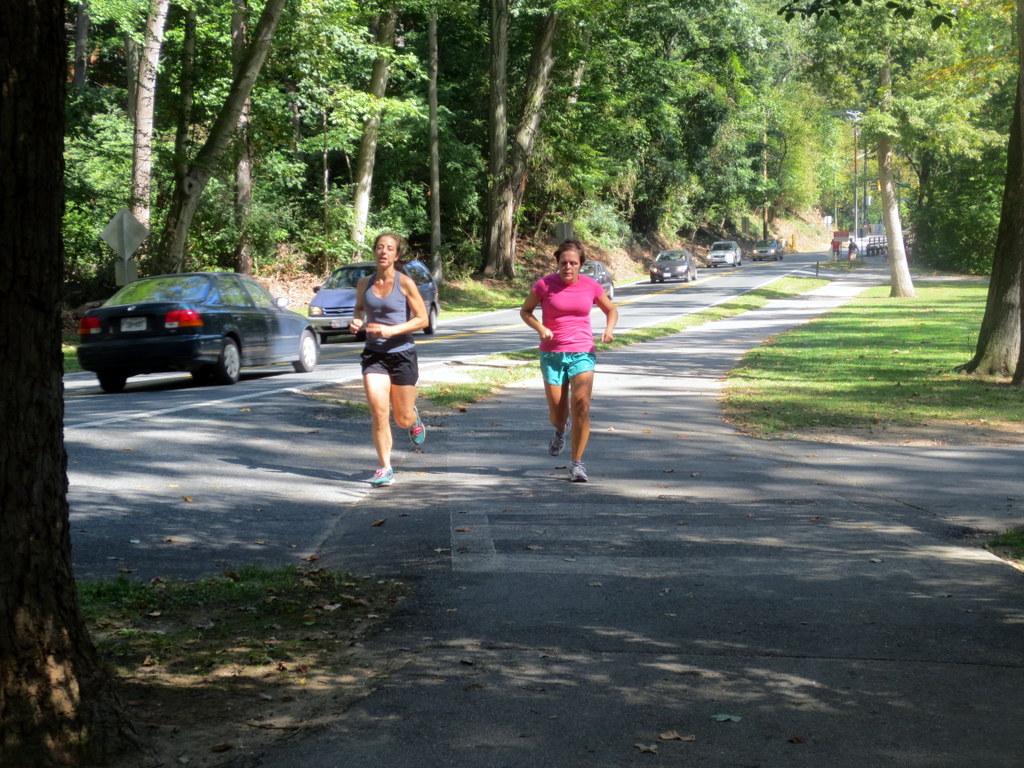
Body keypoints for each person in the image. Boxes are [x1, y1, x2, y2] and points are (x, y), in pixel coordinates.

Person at [519, 239, 618, 482]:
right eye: (564, 262)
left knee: (582, 406)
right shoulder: (544, 285)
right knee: (558, 415)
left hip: (582, 351)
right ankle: (560, 430)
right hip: (552, 354)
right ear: (558, 263)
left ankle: (577, 464)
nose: (568, 267)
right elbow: (525, 311)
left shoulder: (590, 286)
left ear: (581, 265)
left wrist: (609, 329)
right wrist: (540, 328)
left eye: (573, 263)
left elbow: (611, 310)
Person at [349, 232, 429, 487]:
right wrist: (357, 319)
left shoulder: (405, 283)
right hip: (374, 355)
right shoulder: (364, 283)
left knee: (401, 418)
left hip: (402, 353)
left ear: (397, 255)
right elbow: (360, 307)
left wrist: (391, 330)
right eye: (380, 247)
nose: (384, 252)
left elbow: (422, 319)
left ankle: (413, 420)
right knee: (378, 411)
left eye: (390, 248)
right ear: (375, 251)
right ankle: (385, 467)